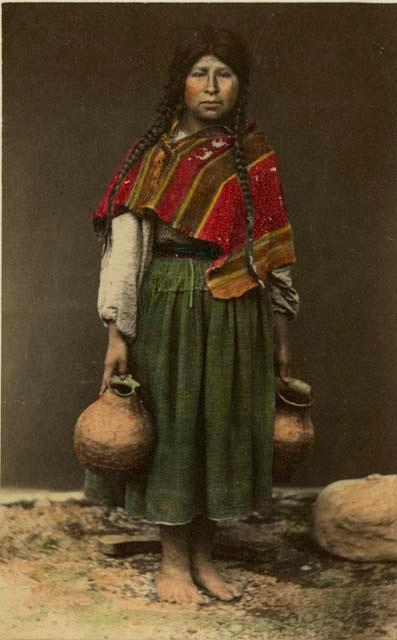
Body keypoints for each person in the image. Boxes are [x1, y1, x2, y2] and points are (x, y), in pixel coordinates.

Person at [85, 25, 300, 605]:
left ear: (239, 85)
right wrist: (117, 334)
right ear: (180, 85)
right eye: (199, 73)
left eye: (224, 74)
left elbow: (274, 253)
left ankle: (205, 557)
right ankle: (172, 563)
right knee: (176, 431)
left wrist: (282, 337)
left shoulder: (253, 156)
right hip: (170, 304)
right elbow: (127, 252)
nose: (211, 87)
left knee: (220, 430)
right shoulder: (153, 158)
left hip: (238, 311)